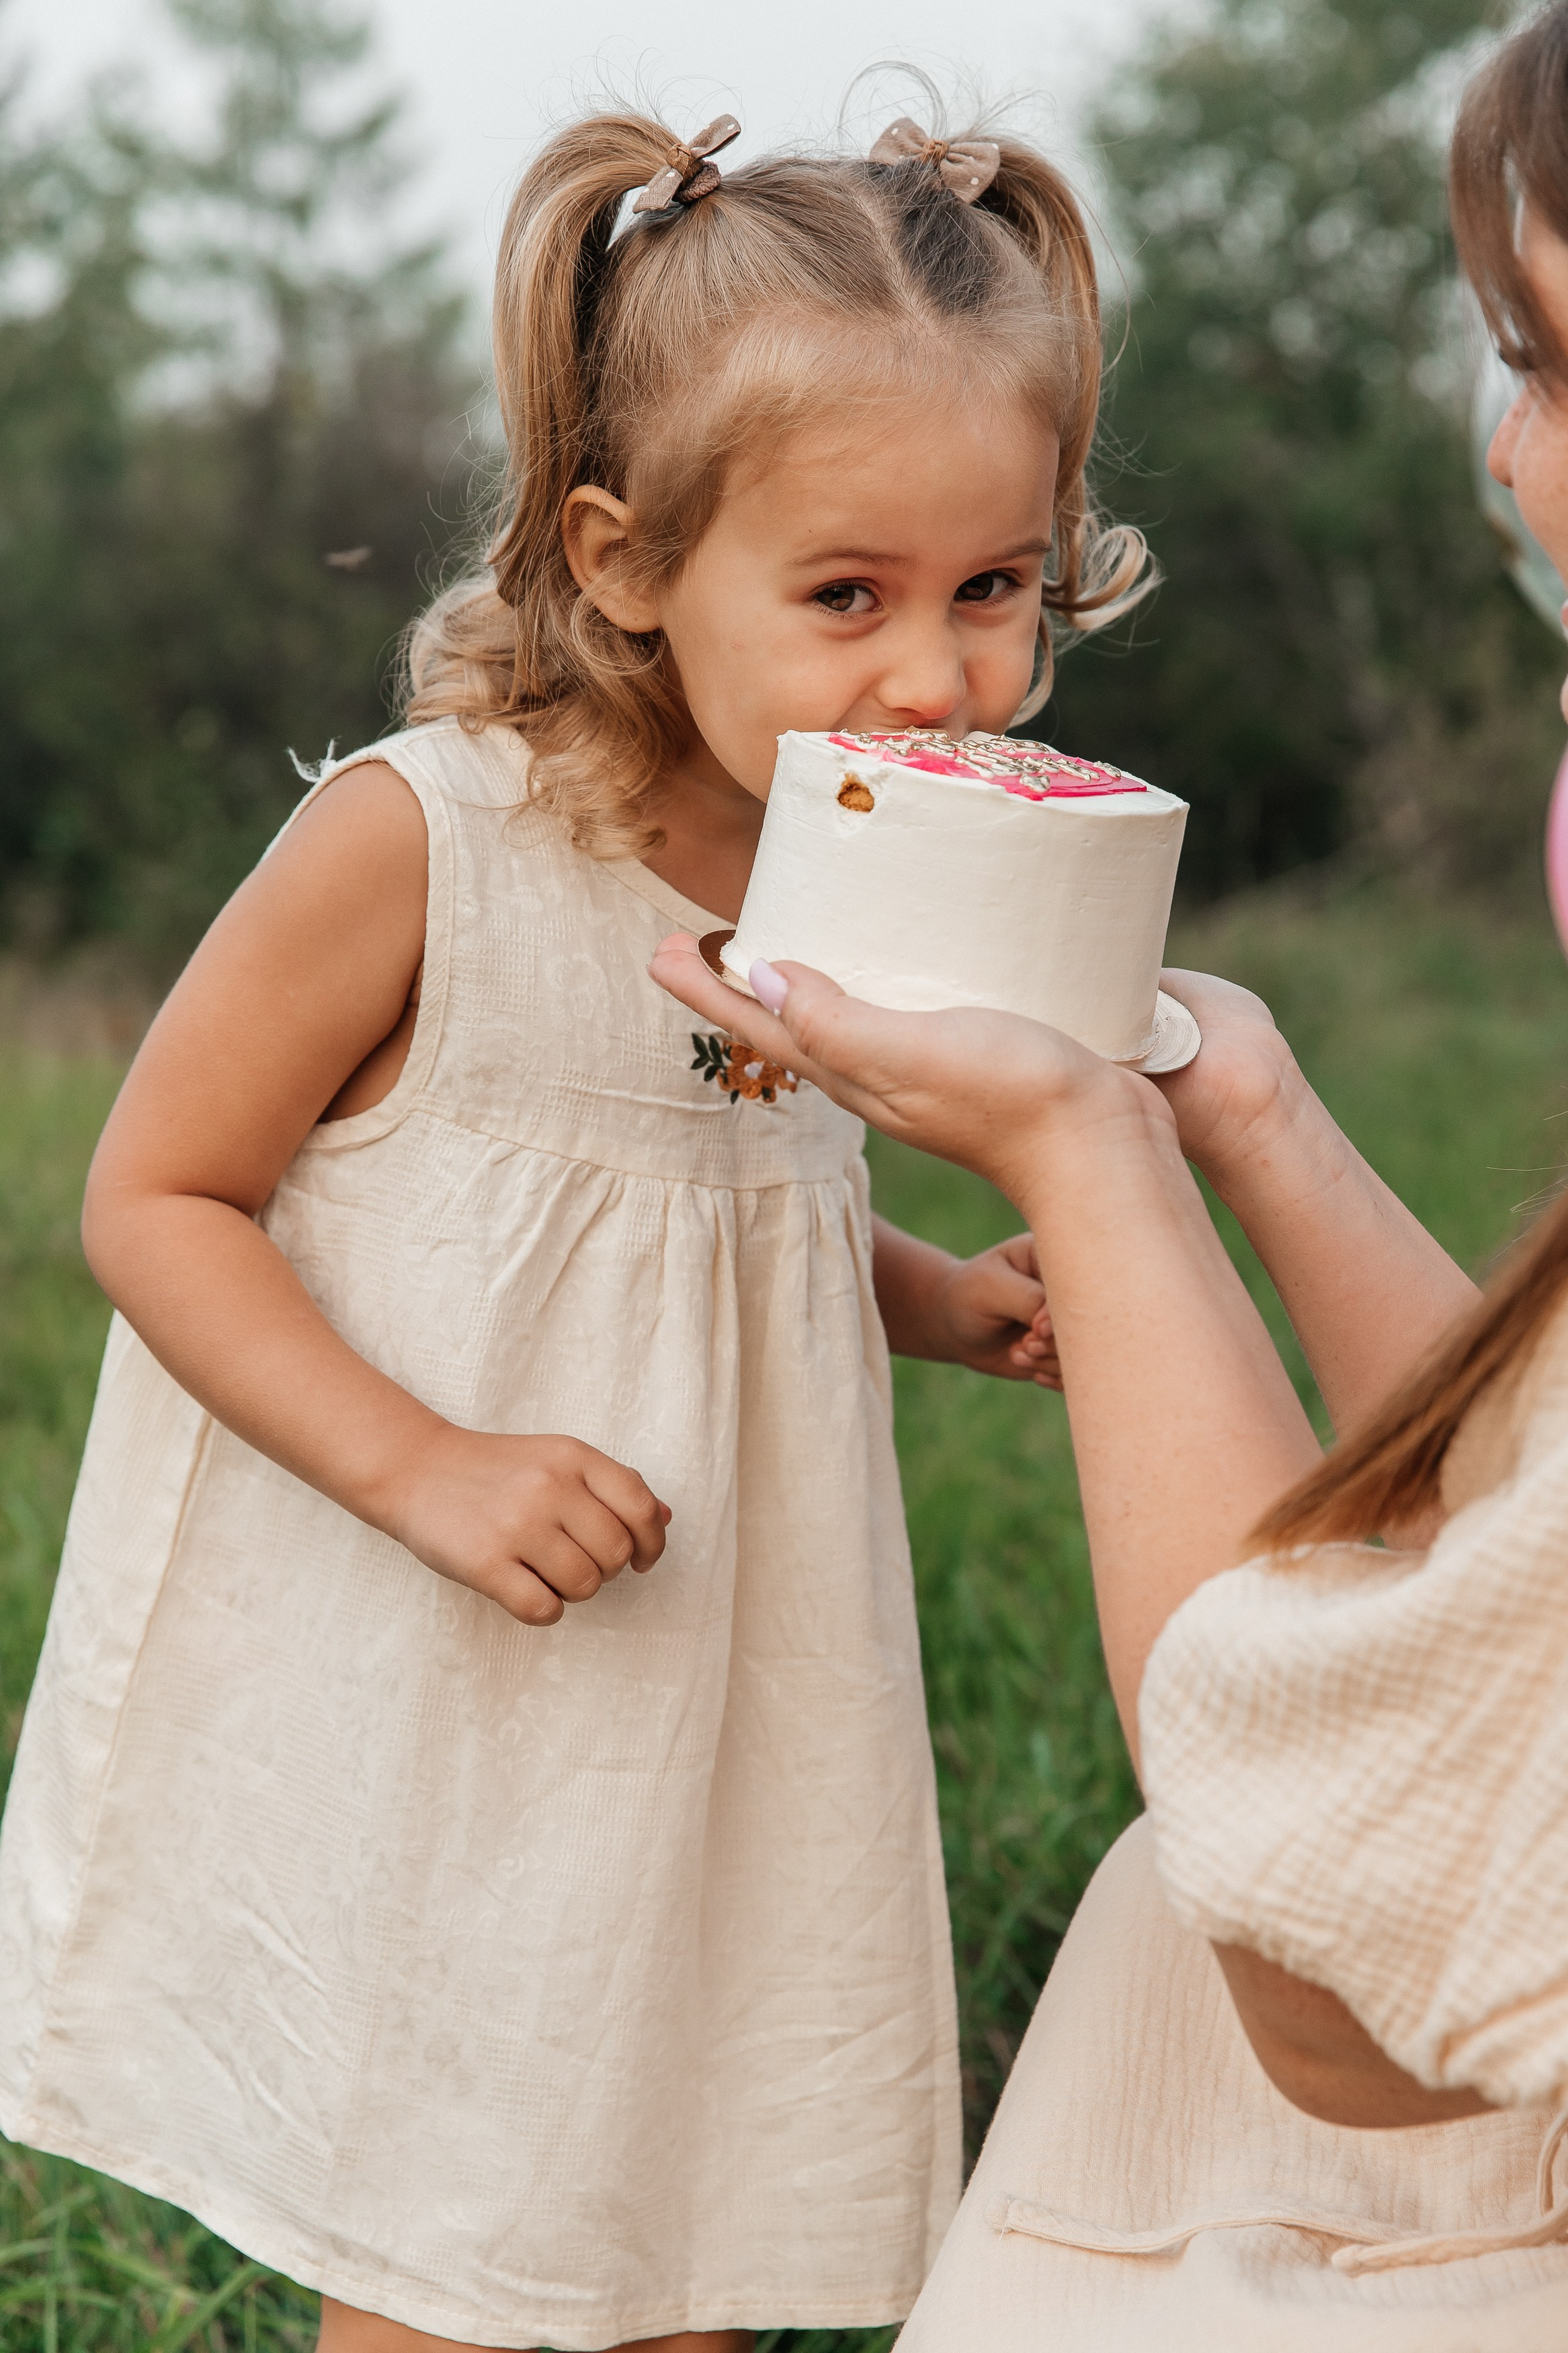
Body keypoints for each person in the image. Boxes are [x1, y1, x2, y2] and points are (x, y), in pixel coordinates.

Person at [0, 100, 1155, 2353]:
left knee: (688, 2211)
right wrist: (428, 1462)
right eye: (849, 596)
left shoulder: (842, 878)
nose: (940, 679)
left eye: (993, 588)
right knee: (455, 2223)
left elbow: (748, 1204)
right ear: (623, 559)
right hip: (456, 1670)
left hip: (726, 1664)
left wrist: (945, 1303)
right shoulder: (425, 842)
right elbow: (152, 1196)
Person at [652, 8, 1568, 2344]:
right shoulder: (437, 845)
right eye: (1512, 357)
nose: (1515, 460)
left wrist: (1086, 1148)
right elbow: (1516, 1564)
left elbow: (1337, 1940)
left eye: (1552, 364)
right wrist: (1229, 1106)